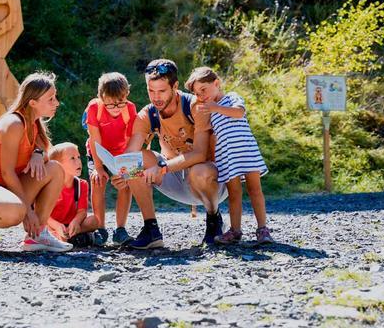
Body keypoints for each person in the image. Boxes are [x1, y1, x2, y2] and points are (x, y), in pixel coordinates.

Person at [0, 72, 73, 253]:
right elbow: (7, 173)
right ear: (32, 103)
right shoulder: (14, 124)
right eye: (51, 99)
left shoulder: (34, 125)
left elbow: (47, 155)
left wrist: (38, 154)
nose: (56, 103)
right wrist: (28, 211)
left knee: (55, 169)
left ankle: (37, 235)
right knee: (16, 212)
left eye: (55, 98)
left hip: (3, 190)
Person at [115, 59, 227, 250]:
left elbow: (200, 154)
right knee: (134, 161)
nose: (156, 97)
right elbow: (130, 153)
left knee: (198, 170)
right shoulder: (147, 115)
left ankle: (214, 220)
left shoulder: (194, 107)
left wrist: (163, 167)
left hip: (211, 181)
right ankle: (151, 230)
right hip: (175, 179)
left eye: (162, 91)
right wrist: (122, 172)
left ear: (175, 86)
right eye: (151, 91)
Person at [185, 67, 273, 244]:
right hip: (227, 156)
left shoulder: (231, 97)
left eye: (204, 90)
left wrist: (215, 107)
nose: (201, 96)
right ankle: (235, 230)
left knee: (255, 189)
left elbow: (239, 112)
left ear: (216, 83)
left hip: (246, 152)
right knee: (234, 194)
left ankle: (263, 229)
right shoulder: (210, 111)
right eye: (197, 93)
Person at [83, 72, 138, 246]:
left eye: (120, 102)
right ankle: (100, 227)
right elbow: (94, 139)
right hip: (98, 150)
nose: (115, 108)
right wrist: (99, 167)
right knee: (97, 181)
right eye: (110, 104)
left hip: (122, 151)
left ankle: (120, 229)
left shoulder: (130, 109)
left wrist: (123, 169)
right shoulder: (94, 107)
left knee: (127, 184)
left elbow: (131, 139)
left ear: (126, 95)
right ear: (101, 97)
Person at [47, 142, 100, 247]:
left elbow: (82, 211)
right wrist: (57, 226)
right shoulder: (50, 186)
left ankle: (68, 236)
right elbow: (43, 215)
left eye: (79, 157)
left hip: (72, 224)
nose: (78, 162)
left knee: (94, 220)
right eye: (73, 158)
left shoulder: (81, 185)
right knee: (42, 227)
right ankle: (72, 238)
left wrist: (76, 222)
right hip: (52, 225)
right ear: (58, 165)